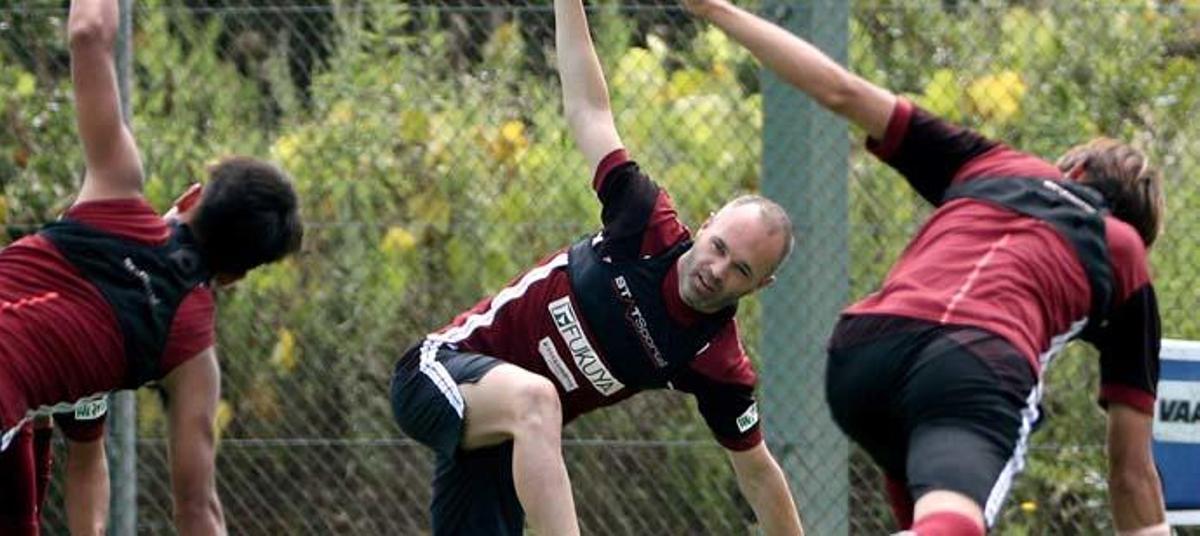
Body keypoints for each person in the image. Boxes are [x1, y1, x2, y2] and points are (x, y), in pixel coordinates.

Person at [683, 1, 1168, 534]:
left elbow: (839, 90)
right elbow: (1131, 475)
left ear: (1071, 169)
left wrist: (713, 9)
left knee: (933, 517)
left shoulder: (993, 163)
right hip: (975, 363)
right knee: (957, 525)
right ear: (1135, 231)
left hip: (864, 354)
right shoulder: (1124, 255)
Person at [387, 0, 805, 534]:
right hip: (438, 372)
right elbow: (589, 109)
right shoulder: (643, 222)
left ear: (762, 284)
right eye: (719, 247)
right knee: (537, 398)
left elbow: (758, 475)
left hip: (501, 441)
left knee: (531, 409)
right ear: (704, 226)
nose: (718, 270)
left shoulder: (715, 361)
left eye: (741, 270)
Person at [0, 0, 304, 534]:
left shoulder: (116, 189)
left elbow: (90, 32)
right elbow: (196, 508)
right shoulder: (192, 352)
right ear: (234, 276)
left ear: (190, 197)